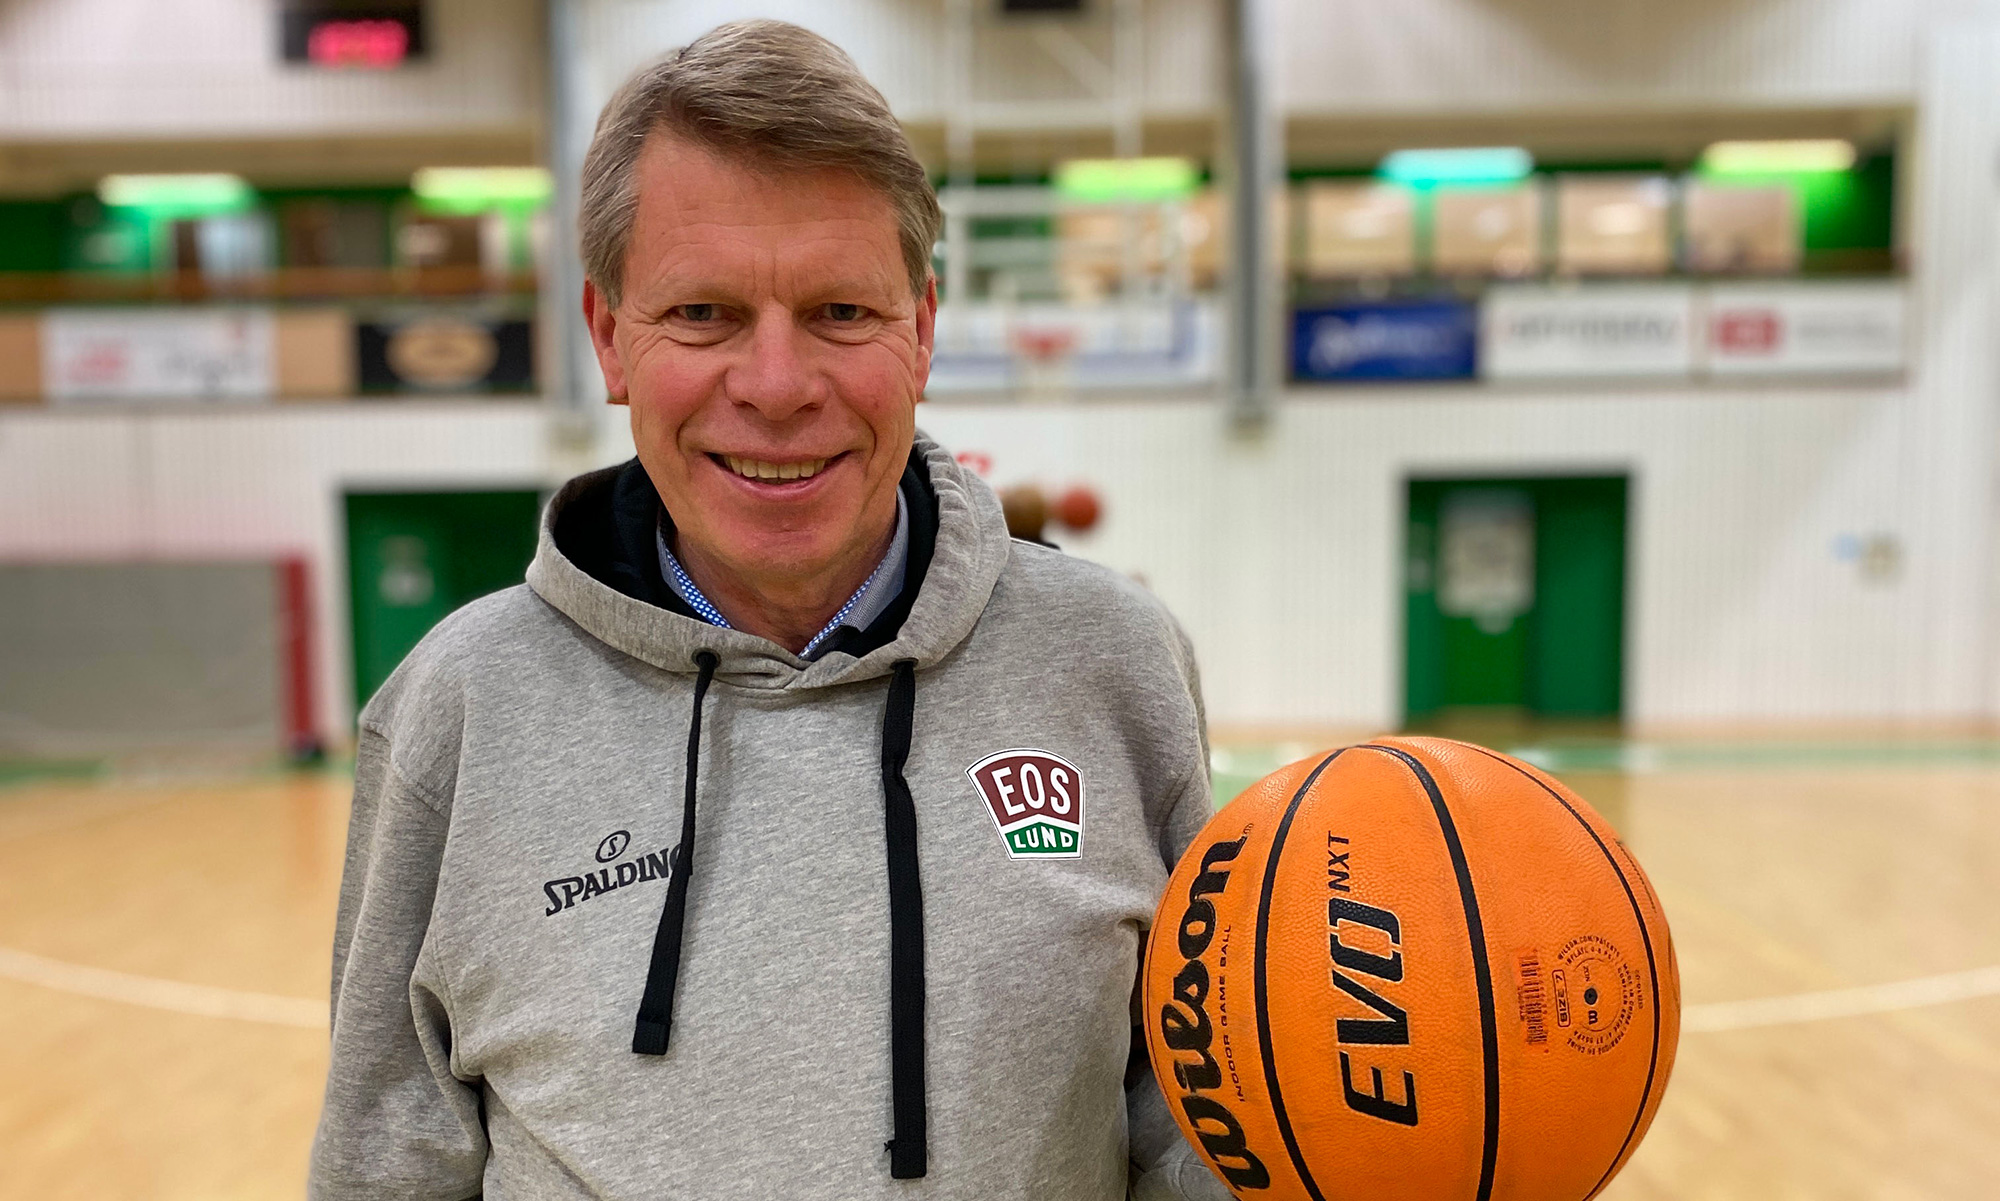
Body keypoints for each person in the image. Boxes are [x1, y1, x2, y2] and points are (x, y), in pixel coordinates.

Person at [309, 20, 1228, 1201]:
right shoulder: (458, 707)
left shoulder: (1112, 661)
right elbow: (385, 1167)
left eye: (841, 312)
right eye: (703, 315)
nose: (778, 386)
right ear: (608, 338)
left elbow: (1192, 1132)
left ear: (922, 331)